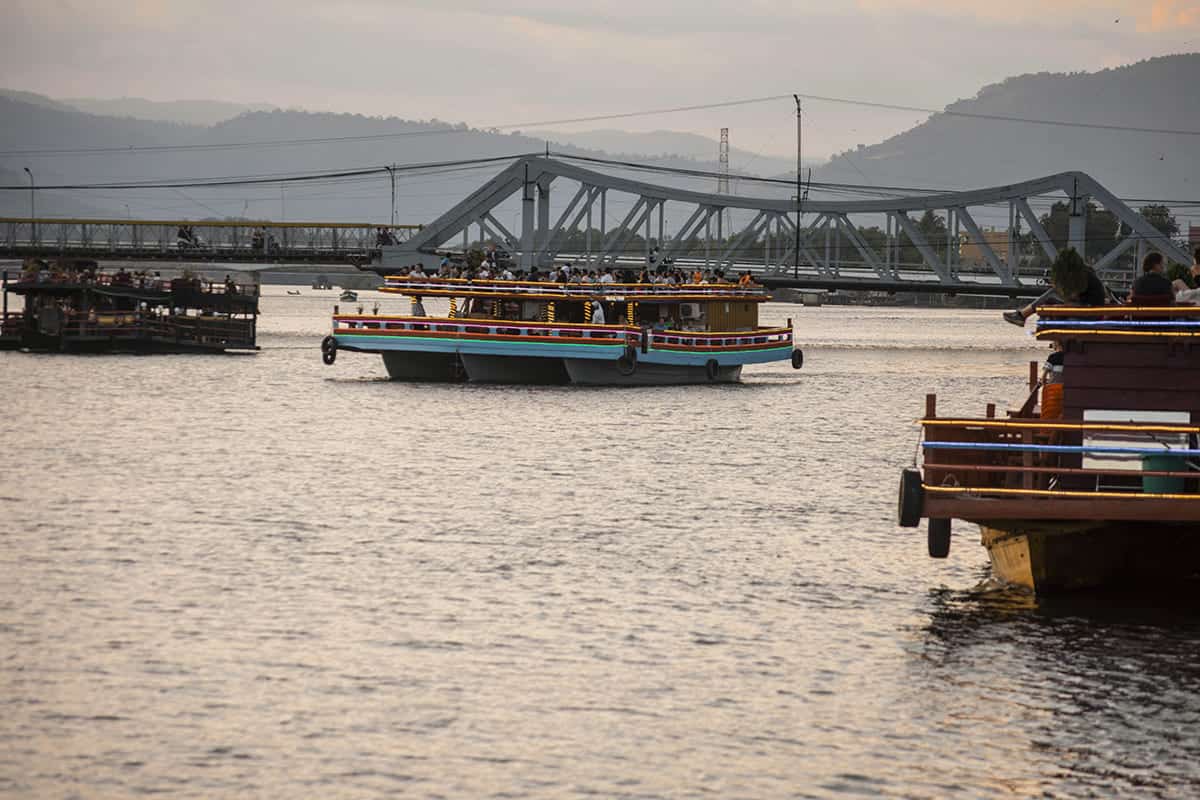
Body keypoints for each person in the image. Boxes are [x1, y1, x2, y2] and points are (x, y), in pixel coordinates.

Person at [1002, 247, 1107, 326]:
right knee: (1052, 296)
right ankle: (1025, 316)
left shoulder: (1084, 275)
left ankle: (1022, 316)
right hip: (1088, 308)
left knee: (1051, 295)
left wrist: (1059, 289)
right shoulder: (1085, 273)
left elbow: (1073, 296)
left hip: (1089, 310)